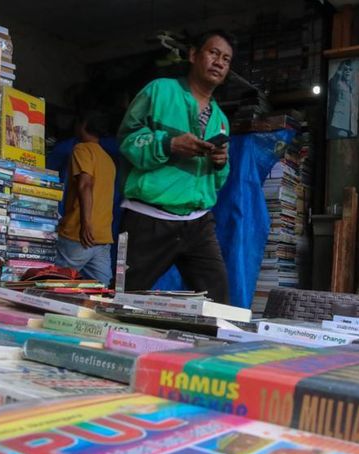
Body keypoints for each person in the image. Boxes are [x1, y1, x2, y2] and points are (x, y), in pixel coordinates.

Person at [117, 30, 234, 303]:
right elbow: (126, 140)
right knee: (124, 299)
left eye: (226, 59)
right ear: (193, 55)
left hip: (198, 221)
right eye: (213, 53)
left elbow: (217, 181)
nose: (219, 62)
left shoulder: (221, 119)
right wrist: (168, 144)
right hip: (148, 217)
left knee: (218, 304)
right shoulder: (159, 90)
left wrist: (220, 164)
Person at [55, 110, 117, 285]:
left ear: (83, 125)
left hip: (79, 234)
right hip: (102, 237)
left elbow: (85, 184)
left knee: (56, 283)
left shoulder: (81, 149)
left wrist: (86, 224)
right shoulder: (108, 160)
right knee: (101, 290)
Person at [328, 59, 355, 138]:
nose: (348, 72)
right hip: (339, 124)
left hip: (349, 126)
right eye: (345, 69)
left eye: (350, 70)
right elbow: (333, 81)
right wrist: (339, 70)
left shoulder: (350, 87)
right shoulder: (338, 84)